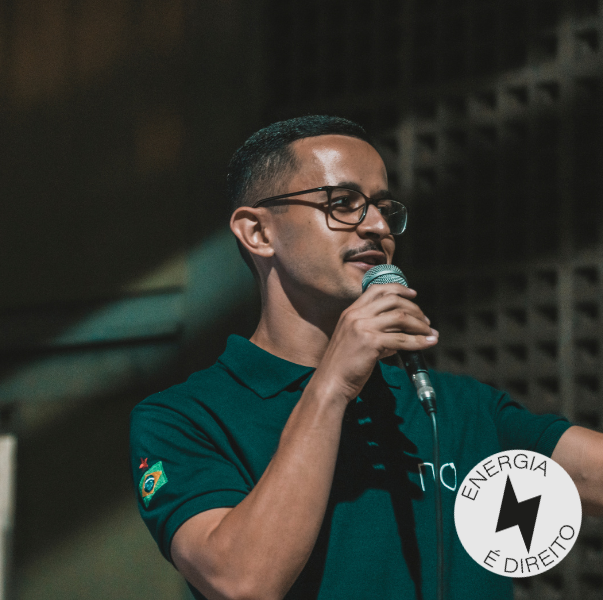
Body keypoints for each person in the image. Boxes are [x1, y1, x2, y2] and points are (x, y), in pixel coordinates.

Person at [129, 116, 603, 600]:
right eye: (343, 203)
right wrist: (331, 386)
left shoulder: (460, 408)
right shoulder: (182, 418)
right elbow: (242, 583)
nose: (377, 227)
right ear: (258, 232)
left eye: (383, 207)